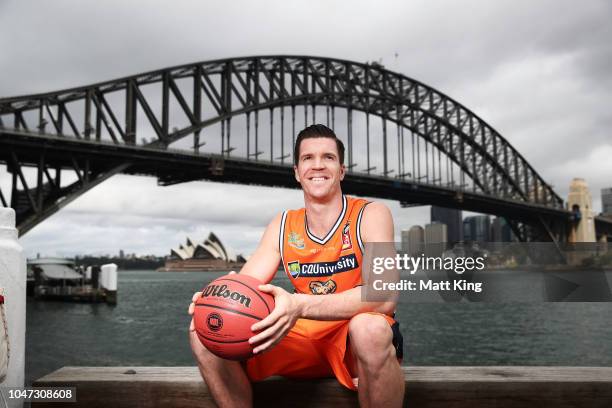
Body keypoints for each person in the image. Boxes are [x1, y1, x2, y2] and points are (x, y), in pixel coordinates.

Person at [188, 124, 405, 407]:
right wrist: (217, 299)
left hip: (353, 341)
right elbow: (247, 286)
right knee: (203, 328)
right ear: (296, 172)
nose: (318, 165)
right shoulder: (282, 225)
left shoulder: (371, 214)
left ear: (341, 170)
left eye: (328, 157)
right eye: (308, 158)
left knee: (370, 329)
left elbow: (384, 296)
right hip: (303, 335)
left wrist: (299, 304)